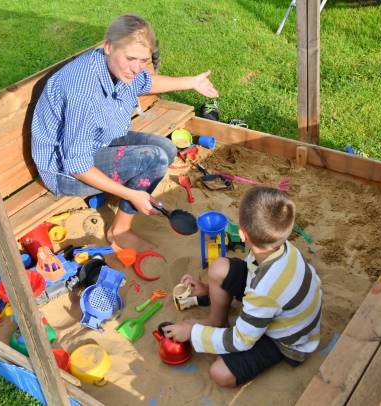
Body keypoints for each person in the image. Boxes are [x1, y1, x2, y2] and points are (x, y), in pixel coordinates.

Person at [31, 14, 218, 249]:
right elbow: (76, 165)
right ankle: (119, 230)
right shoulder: (83, 91)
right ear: (108, 46)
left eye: (143, 60)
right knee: (154, 160)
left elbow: (146, 83)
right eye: (131, 59)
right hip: (64, 171)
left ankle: (126, 193)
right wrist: (131, 195)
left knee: (167, 148)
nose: (136, 68)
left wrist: (192, 82)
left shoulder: (117, 67)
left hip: (98, 140)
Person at [164, 187, 322, 387]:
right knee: (219, 267)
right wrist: (207, 289)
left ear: (241, 234)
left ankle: (214, 329)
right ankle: (216, 321)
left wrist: (193, 332)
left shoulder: (264, 291)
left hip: (286, 340)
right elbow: (251, 274)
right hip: (278, 304)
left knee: (220, 373)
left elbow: (241, 340)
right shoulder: (280, 247)